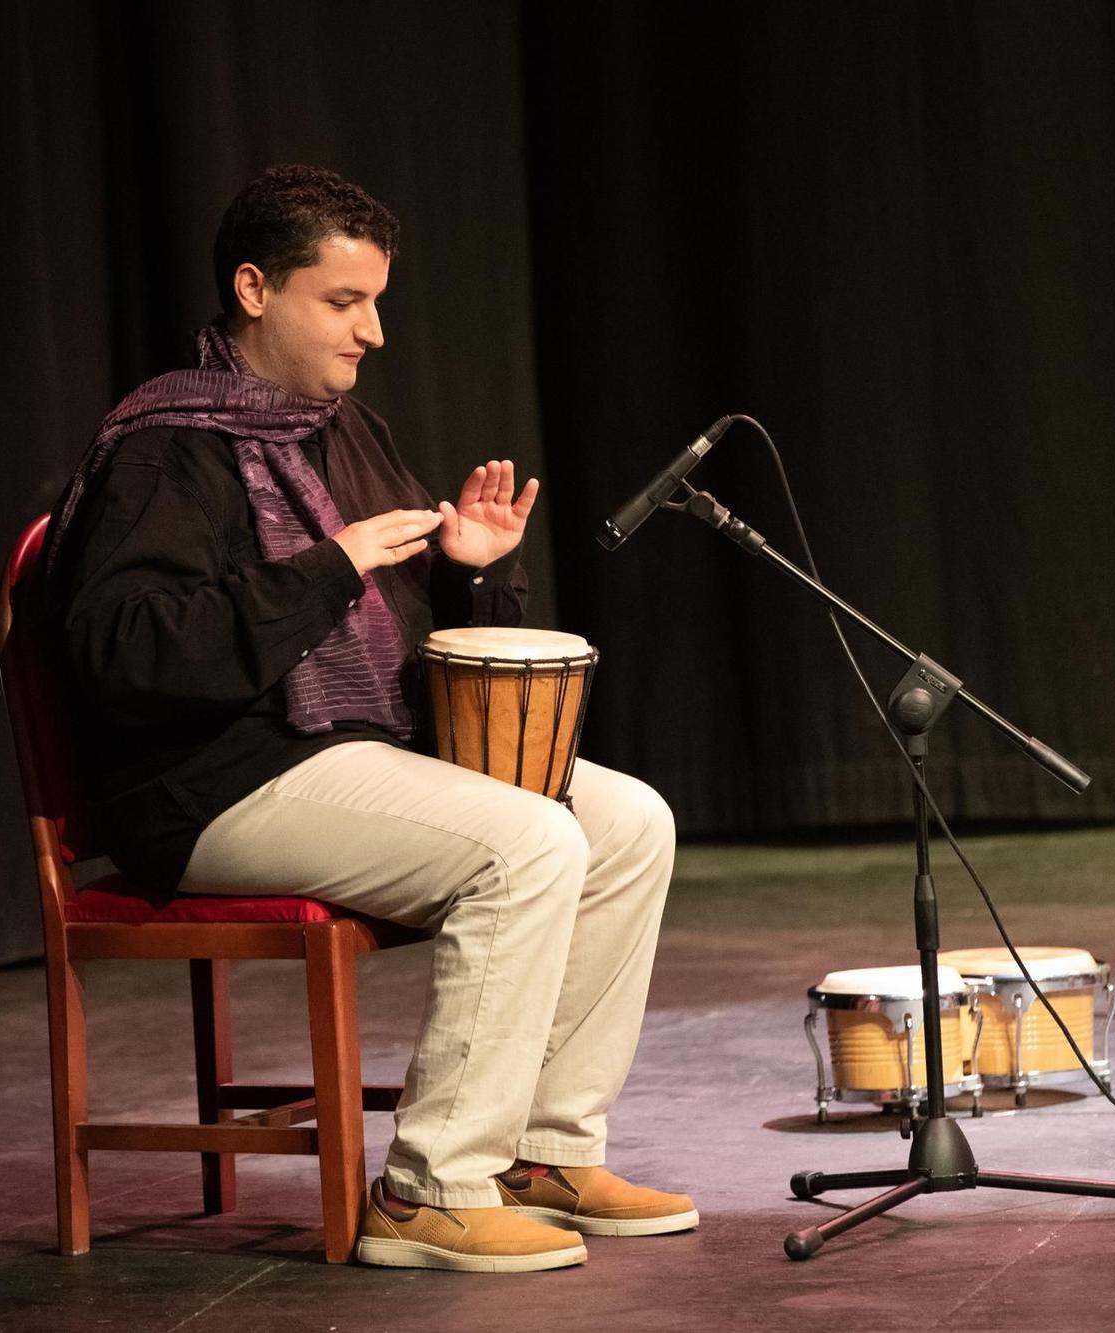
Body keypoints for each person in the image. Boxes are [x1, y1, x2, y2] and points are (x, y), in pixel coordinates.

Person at [40, 164, 690, 1273]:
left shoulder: (341, 432)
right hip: (212, 785)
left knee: (628, 820)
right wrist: (325, 569)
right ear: (253, 289)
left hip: (342, 758)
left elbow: (398, 641)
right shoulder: (164, 447)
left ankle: (542, 1147)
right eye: (342, 303)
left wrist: (467, 574)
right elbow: (123, 653)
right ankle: (429, 1187)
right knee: (528, 841)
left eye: (375, 301)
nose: (372, 331)